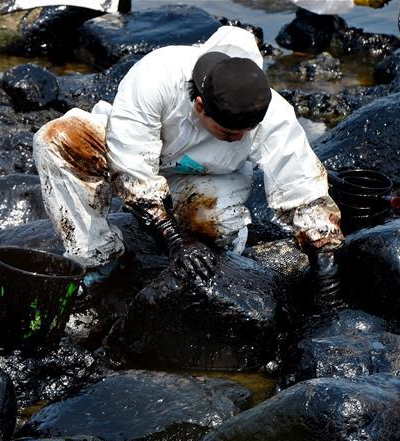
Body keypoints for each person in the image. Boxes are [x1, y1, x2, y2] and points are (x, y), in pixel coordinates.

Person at [33, 25, 344, 311]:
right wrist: (172, 237)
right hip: (135, 152)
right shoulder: (157, 75)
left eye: (245, 133)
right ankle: (97, 258)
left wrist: (325, 268)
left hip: (206, 177)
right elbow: (130, 161)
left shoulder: (270, 110)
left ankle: (208, 250)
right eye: (228, 134)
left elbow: (302, 186)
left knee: (214, 228)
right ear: (199, 106)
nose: (239, 139)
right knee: (56, 139)